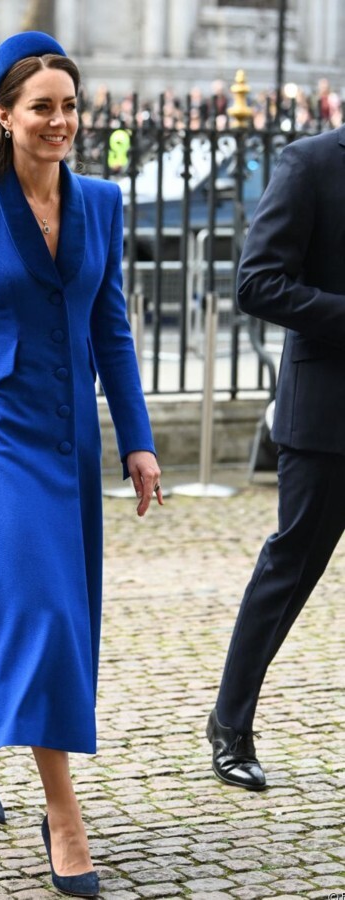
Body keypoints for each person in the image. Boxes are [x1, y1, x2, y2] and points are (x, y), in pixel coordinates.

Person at [0, 31, 162, 898]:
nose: (60, 120)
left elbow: (110, 330)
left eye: (70, 106)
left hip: (71, 434)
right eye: (42, 107)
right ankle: (64, 814)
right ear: (4, 116)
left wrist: (136, 440)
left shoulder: (101, 202)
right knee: (45, 610)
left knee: (31, 603)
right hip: (1, 433)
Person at [207, 125, 345, 790]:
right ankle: (230, 724)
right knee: (289, 570)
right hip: (328, 418)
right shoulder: (309, 162)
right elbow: (257, 283)